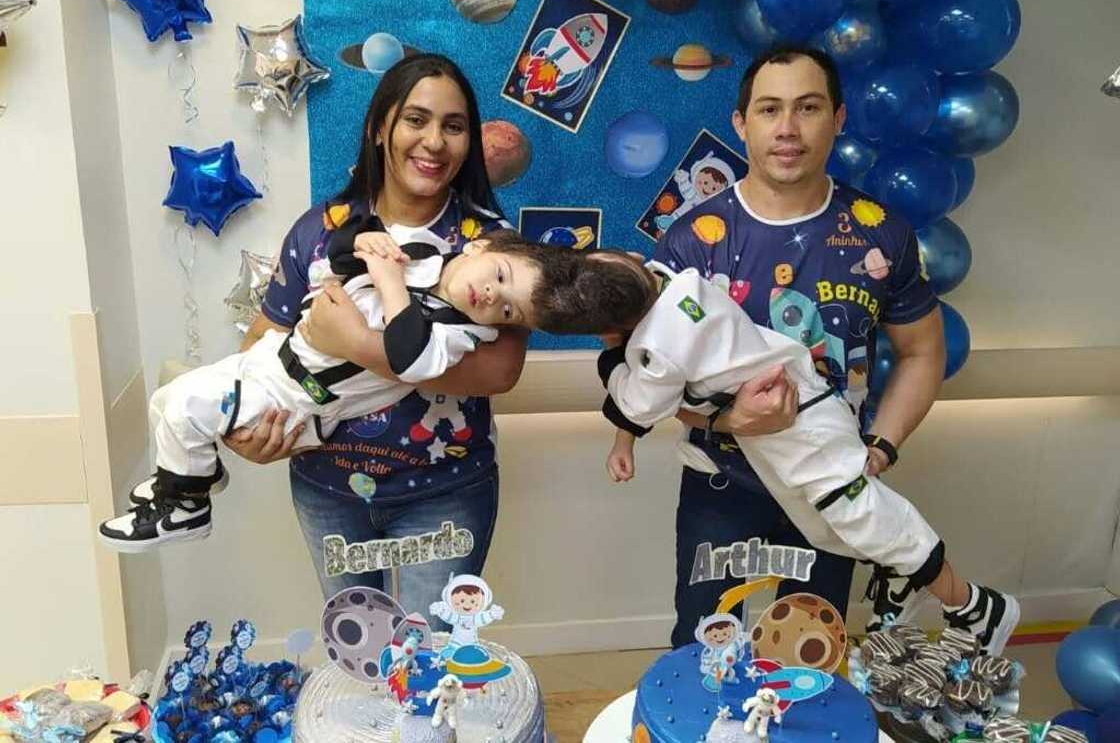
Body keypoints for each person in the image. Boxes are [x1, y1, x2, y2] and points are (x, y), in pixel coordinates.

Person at [645, 44, 971, 646]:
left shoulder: (881, 232)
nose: (788, 129)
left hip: (831, 488)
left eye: (808, 107)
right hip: (722, 483)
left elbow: (923, 353)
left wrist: (880, 449)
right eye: (769, 110)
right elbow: (650, 380)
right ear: (742, 124)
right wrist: (727, 420)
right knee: (702, 648)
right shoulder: (692, 243)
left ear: (838, 118)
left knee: (810, 659)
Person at [214, 54, 535, 619]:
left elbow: (499, 372)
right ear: (379, 128)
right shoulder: (323, 229)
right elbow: (262, 339)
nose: (434, 141)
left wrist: (356, 342)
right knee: (357, 653)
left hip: (445, 491)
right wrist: (246, 426)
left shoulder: (491, 245)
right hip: (328, 489)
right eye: (416, 120)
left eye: (453, 126)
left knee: (428, 662)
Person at [594, 254, 1019, 654]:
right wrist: (624, 439)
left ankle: (975, 606)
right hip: (766, 448)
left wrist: (612, 356)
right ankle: (902, 576)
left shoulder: (660, 346)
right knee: (827, 530)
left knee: (868, 522)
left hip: (804, 432)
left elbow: (641, 401)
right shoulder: (681, 282)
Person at [96, 220, 605, 551]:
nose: (490, 295)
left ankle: (185, 509)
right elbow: (337, 259)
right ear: (480, 247)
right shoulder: (425, 254)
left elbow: (406, 355)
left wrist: (386, 283)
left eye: (508, 308)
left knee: (186, 407)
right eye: (496, 274)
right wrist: (363, 241)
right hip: (272, 364)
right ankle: (191, 480)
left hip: (299, 399)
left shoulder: (459, 333)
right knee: (168, 399)